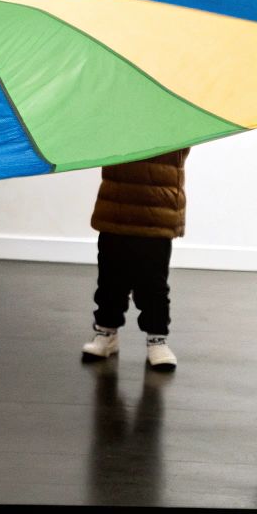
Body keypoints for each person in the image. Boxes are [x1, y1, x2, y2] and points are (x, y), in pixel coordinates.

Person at [80, 148, 189, 370]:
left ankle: (157, 339)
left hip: (158, 208)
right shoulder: (117, 116)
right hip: (115, 204)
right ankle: (106, 332)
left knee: (153, 284)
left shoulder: (176, 118)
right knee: (110, 279)